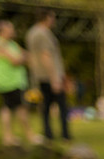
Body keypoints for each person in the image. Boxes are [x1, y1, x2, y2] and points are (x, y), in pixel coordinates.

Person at [0, 20, 37, 146]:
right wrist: (23, 58)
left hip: (16, 81)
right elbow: (15, 60)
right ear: (2, 31)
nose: (12, 31)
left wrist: (24, 58)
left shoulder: (11, 44)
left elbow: (27, 55)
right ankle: (26, 135)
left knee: (10, 108)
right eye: (9, 29)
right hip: (8, 82)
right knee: (18, 108)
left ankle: (10, 137)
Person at [26, 9, 71, 141]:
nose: (54, 20)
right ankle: (65, 134)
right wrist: (55, 78)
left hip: (40, 75)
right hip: (50, 75)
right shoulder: (43, 33)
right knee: (61, 105)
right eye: (52, 17)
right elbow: (46, 56)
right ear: (46, 18)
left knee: (45, 106)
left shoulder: (32, 32)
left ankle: (48, 133)